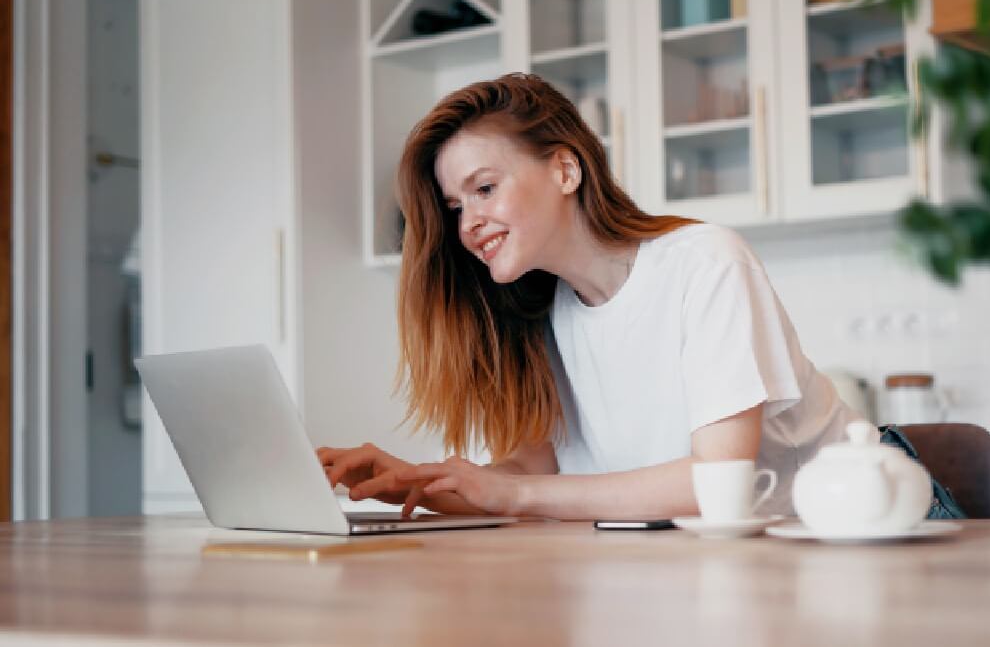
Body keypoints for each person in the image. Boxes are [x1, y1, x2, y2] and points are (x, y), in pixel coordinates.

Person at [317, 73, 856, 520]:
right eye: (457, 206)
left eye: (484, 189)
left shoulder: (706, 263)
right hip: (707, 558)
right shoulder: (536, 309)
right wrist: (411, 484)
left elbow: (720, 482)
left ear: (566, 169)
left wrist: (518, 494)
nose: (469, 224)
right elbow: (528, 473)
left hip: (862, 527)